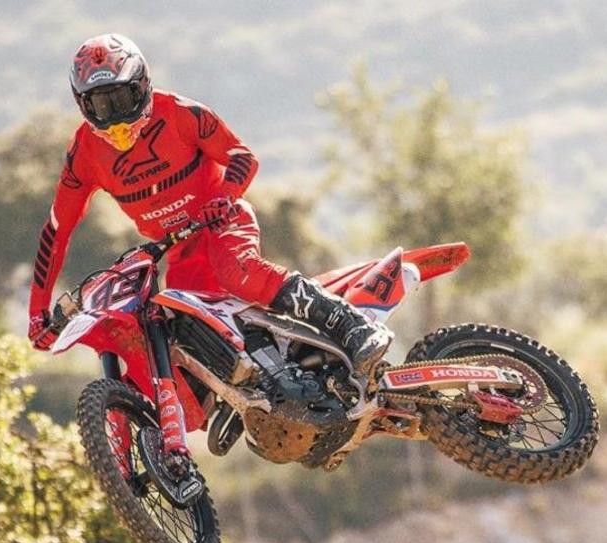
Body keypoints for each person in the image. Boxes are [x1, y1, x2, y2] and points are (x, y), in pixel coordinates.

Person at [27, 34, 391, 374]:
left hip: (223, 222)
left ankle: (350, 324)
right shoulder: (84, 154)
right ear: (82, 103)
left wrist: (222, 198)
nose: (116, 119)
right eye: (101, 105)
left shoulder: (182, 113)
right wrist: (37, 312)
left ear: (142, 85)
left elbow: (242, 157)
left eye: (121, 101)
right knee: (184, 344)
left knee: (238, 271)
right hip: (180, 251)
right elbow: (56, 232)